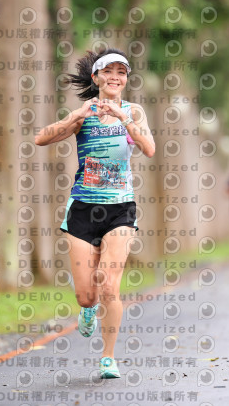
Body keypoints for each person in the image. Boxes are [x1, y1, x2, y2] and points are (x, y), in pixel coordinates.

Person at [34, 48, 155, 378]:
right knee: (87, 296)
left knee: (109, 287)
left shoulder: (133, 112)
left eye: (122, 72)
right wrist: (75, 116)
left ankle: (108, 358)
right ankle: (87, 310)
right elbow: (41, 139)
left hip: (120, 209)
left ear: (126, 79)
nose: (115, 77)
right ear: (96, 77)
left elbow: (148, 148)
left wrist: (123, 118)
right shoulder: (84, 114)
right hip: (83, 210)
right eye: (109, 71)